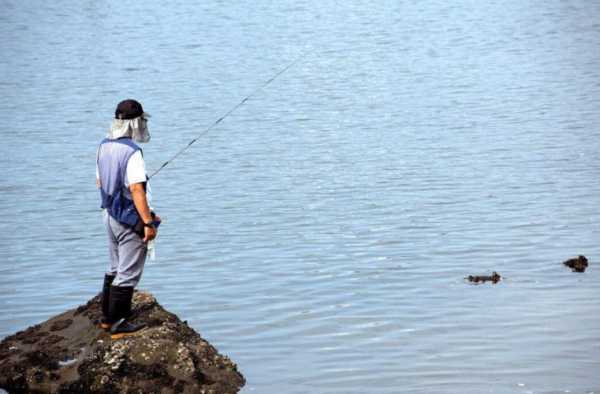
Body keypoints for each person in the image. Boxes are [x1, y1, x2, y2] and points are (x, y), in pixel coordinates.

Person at [96, 99, 159, 339]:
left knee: (113, 267)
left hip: (108, 214)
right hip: (128, 219)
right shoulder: (132, 152)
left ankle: (105, 319)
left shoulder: (103, 146)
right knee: (128, 272)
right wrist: (147, 222)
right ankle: (117, 323)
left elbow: (100, 182)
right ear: (135, 124)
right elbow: (136, 190)